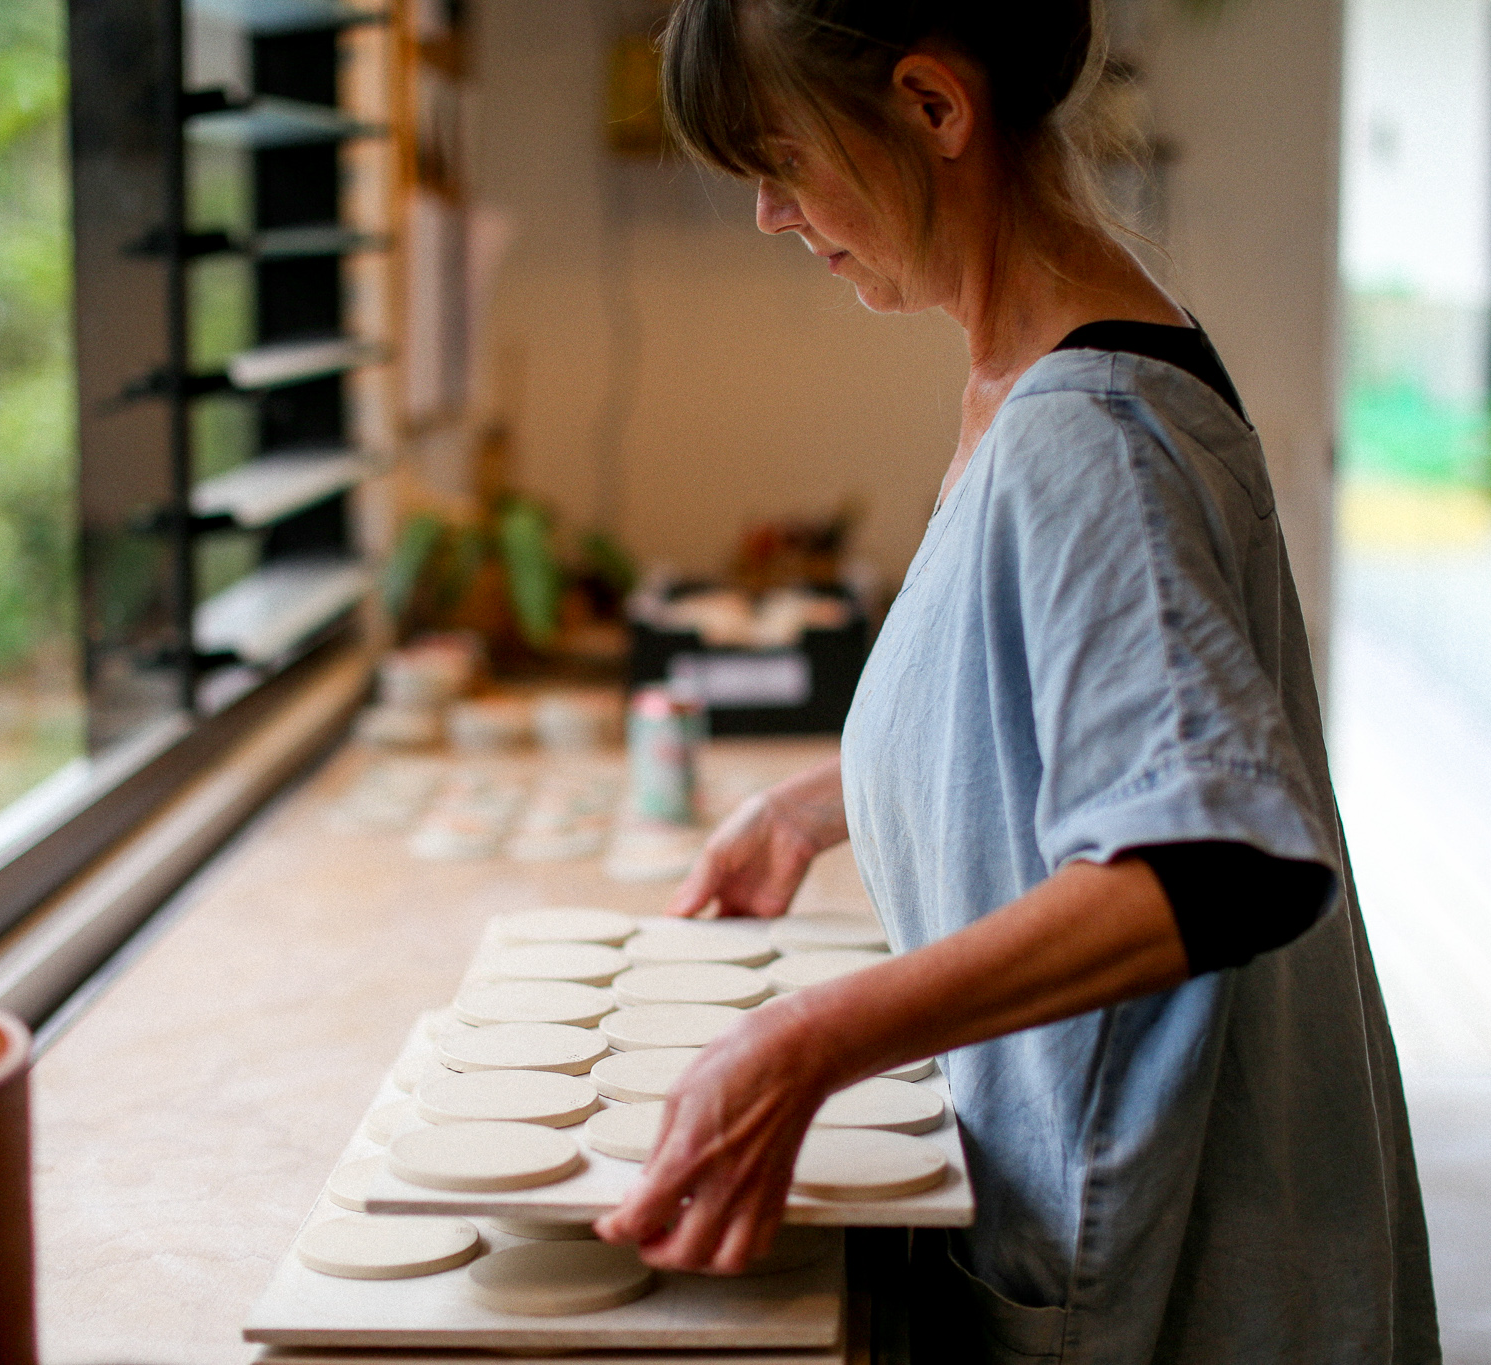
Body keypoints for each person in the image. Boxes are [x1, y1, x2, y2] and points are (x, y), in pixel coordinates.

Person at [591, 3, 1440, 1362]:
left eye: (782, 158)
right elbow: (1050, 713)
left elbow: (1218, 861)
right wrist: (822, 802)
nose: (767, 211)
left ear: (933, 106)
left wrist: (810, 1041)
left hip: (1181, 1279)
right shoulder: (1035, 368)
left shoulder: (1088, 431)